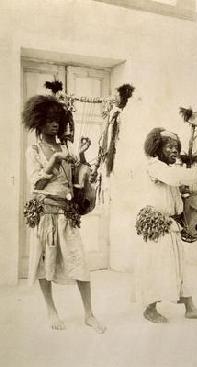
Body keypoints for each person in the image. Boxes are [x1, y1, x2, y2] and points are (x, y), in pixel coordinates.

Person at [22, 95, 106, 333]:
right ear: (38, 123)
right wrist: (55, 160)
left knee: (80, 261)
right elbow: (36, 184)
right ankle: (51, 310)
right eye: (49, 120)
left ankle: (89, 314)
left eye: (57, 119)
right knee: (43, 263)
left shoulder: (65, 147)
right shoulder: (34, 150)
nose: (54, 124)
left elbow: (75, 181)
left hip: (65, 214)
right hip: (45, 214)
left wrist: (81, 160)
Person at [135, 127, 197, 323]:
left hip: (172, 225)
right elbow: (176, 178)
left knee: (180, 266)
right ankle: (150, 309)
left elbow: (190, 186)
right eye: (169, 147)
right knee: (157, 266)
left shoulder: (170, 169)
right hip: (158, 225)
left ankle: (190, 308)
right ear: (157, 148)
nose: (174, 151)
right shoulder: (154, 166)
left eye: (176, 148)